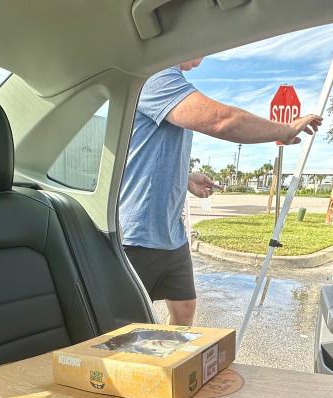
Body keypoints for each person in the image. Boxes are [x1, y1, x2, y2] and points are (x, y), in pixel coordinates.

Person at [120, 58, 322, 326]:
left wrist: (186, 178)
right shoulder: (155, 76)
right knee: (129, 323)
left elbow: (152, 152)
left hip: (171, 233)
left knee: (184, 309)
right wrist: (284, 130)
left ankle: (171, 365)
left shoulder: (169, 81)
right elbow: (221, 121)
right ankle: (141, 367)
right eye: (201, 46)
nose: (203, 57)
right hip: (138, 233)